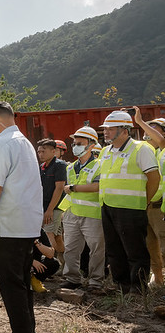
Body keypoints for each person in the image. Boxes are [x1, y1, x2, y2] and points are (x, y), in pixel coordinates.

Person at [0, 101, 43, 333]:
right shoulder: (23, 141)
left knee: (11, 284)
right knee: (20, 282)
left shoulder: (3, 143)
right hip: (25, 224)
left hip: (9, 225)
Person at [98, 110, 160, 293]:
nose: (106, 132)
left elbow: (154, 178)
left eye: (110, 128)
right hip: (108, 206)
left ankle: (138, 288)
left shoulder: (141, 149)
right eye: (105, 129)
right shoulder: (105, 151)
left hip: (131, 208)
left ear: (125, 130)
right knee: (114, 249)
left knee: (135, 251)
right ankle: (121, 285)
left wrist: (144, 200)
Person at [60, 126, 104, 290]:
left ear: (91, 145)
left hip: (93, 214)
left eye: (79, 143)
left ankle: (95, 281)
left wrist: (74, 188)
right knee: (70, 249)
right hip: (73, 213)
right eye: (74, 143)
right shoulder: (70, 167)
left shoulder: (100, 165)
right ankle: (72, 278)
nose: (75, 146)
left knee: (96, 250)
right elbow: (68, 193)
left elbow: (98, 186)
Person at [131, 108, 165, 287]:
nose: (147, 133)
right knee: (151, 245)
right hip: (146, 206)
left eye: (154, 129)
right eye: (147, 129)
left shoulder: (162, 151)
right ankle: (158, 278)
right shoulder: (143, 151)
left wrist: (140, 122)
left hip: (161, 207)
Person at [37, 138, 67, 256]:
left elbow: (59, 188)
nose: (40, 154)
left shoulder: (59, 165)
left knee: (48, 234)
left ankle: (51, 261)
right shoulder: (42, 167)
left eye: (43, 151)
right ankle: (64, 264)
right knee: (58, 237)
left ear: (53, 151)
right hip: (44, 206)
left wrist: (50, 210)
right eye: (39, 152)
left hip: (55, 207)